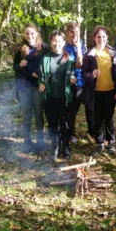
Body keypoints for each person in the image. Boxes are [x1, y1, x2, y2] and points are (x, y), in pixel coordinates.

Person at [82, 25, 116, 157]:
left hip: (110, 90)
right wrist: (91, 74)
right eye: (98, 37)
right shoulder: (89, 55)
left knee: (109, 118)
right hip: (96, 91)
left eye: (103, 36)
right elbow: (84, 73)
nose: (101, 39)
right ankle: (99, 143)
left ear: (107, 38)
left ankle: (111, 141)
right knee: (97, 118)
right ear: (94, 38)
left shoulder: (113, 52)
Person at [39, 30, 76, 161]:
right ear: (51, 42)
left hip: (64, 98)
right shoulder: (45, 59)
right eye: (54, 41)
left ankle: (65, 147)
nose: (56, 43)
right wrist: (41, 83)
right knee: (52, 125)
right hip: (49, 98)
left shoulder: (69, 59)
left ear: (64, 42)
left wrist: (73, 79)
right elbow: (41, 76)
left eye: (59, 41)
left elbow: (73, 74)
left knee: (65, 124)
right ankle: (55, 148)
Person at [13, 23, 48, 153]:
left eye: (32, 33)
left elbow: (48, 62)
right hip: (24, 87)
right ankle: (27, 142)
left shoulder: (42, 47)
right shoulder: (19, 48)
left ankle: (40, 141)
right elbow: (14, 67)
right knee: (27, 115)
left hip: (38, 87)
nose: (29, 36)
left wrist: (39, 73)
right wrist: (20, 65)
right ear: (24, 34)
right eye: (27, 33)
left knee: (39, 115)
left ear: (37, 33)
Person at [63, 22, 95, 144]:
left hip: (85, 83)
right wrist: (77, 51)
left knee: (90, 110)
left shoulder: (82, 45)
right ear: (68, 33)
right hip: (73, 84)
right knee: (72, 111)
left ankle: (92, 132)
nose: (74, 35)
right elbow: (78, 63)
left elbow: (85, 64)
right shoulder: (64, 48)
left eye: (76, 32)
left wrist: (79, 48)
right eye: (71, 32)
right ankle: (71, 134)